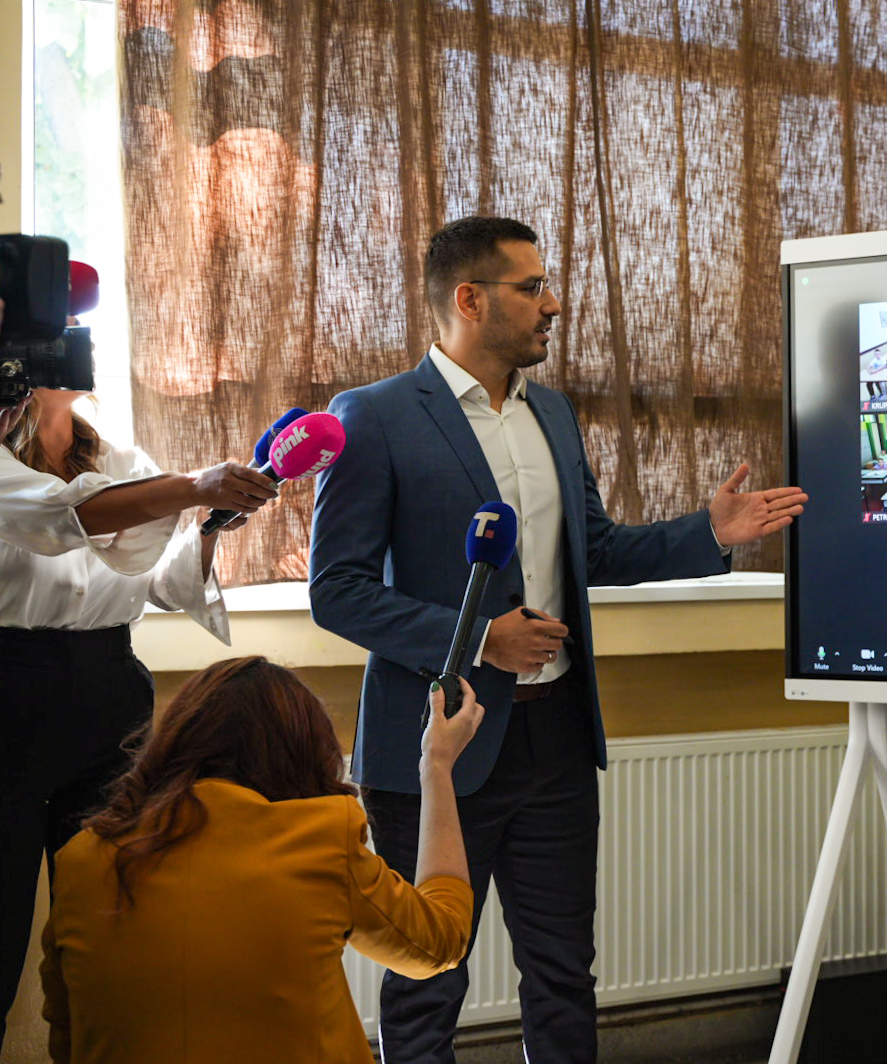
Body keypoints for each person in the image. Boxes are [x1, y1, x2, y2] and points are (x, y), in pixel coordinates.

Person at [308, 216, 807, 1064]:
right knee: (427, 981)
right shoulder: (374, 417)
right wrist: (479, 640)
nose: (554, 304)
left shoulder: (555, 414)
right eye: (533, 287)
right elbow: (338, 592)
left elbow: (595, 550)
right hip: (439, 743)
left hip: (558, 739)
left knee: (564, 974)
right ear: (470, 299)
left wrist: (709, 533)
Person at [0, 358, 278, 1048]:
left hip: (109, 698)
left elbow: (161, 585)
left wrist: (208, 523)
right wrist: (191, 486)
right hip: (10, 693)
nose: (79, 350)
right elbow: (61, 516)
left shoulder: (124, 462)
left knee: (106, 920)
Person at [38, 657, 483, 1064]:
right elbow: (439, 943)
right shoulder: (318, 839)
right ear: (306, 751)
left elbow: (66, 1032)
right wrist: (437, 766)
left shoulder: (81, 860)